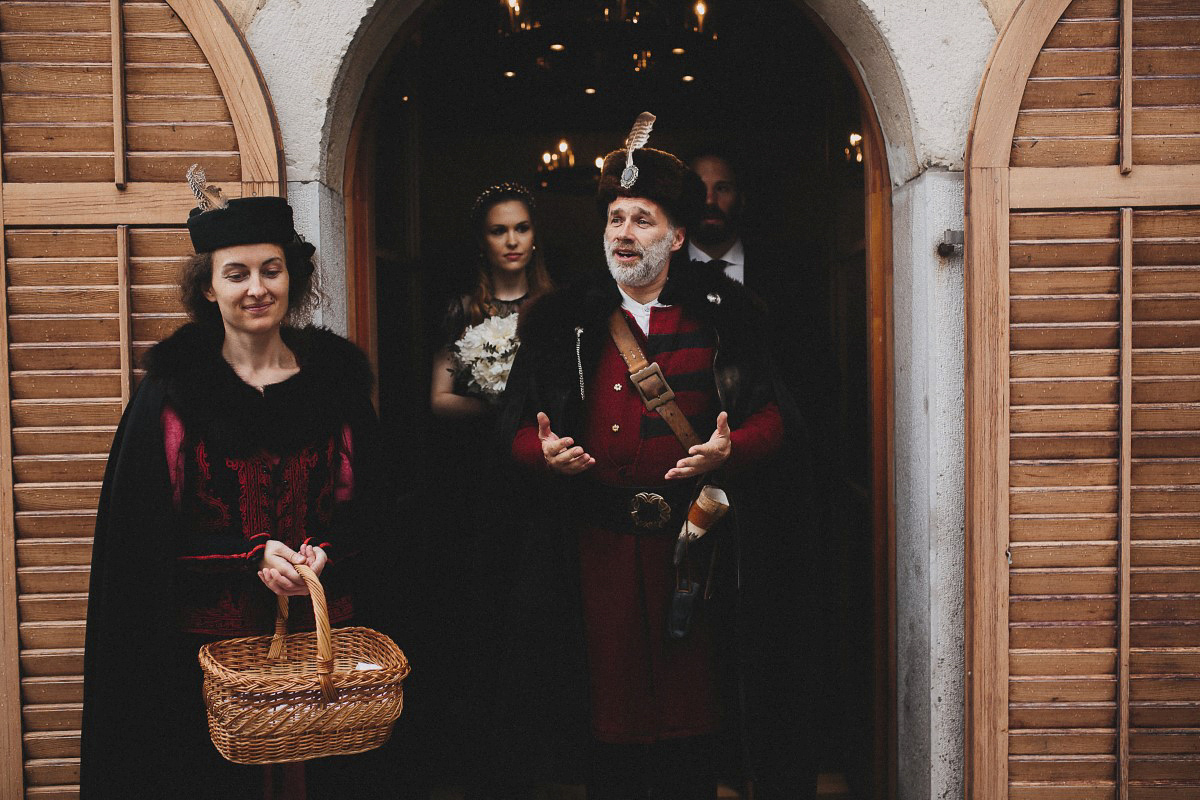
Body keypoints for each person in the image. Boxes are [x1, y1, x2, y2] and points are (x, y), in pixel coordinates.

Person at [497, 116, 814, 799]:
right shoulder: (560, 320)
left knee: (691, 712)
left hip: (697, 547)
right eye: (615, 217)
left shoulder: (729, 314)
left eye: (642, 219)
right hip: (593, 549)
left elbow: (776, 420)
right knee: (606, 713)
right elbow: (513, 430)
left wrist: (733, 450)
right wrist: (543, 453)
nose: (624, 232)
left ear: (674, 236)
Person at [80, 175, 388, 799]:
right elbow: (139, 545)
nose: (256, 289)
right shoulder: (172, 396)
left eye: (271, 270)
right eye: (237, 273)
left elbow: (380, 517)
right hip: (202, 664)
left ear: (292, 278)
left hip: (323, 663)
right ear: (208, 287)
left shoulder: (336, 386)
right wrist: (251, 555)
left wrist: (324, 553)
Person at [419, 182, 553, 790]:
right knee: (482, 602)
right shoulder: (463, 311)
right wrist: (496, 405)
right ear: (483, 240)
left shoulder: (559, 305)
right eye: (500, 230)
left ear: (535, 234)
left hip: (542, 480)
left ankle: (542, 747)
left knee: (541, 605)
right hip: (476, 481)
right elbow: (439, 400)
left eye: (521, 228)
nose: (512, 241)